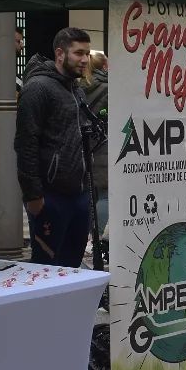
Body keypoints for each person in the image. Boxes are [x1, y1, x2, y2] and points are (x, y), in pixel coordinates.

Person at [14, 27, 93, 268]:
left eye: (87, 53)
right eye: (79, 53)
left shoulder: (75, 89)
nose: (85, 60)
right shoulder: (38, 88)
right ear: (60, 53)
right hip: (50, 197)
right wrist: (34, 195)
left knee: (72, 265)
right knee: (46, 267)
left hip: (78, 195)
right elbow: (25, 143)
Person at [82, 50, 110, 239]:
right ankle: (99, 237)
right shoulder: (109, 87)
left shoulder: (79, 86)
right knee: (106, 195)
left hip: (85, 144)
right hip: (105, 145)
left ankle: (90, 236)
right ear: (105, 66)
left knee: (92, 194)